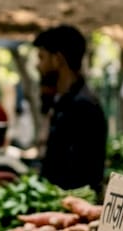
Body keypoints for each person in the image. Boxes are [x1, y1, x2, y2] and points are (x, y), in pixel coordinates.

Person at [34, 25, 107, 193]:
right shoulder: (65, 101)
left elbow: (77, 175)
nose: (38, 66)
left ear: (58, 59)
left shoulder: (83, 107)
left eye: (42, 58)